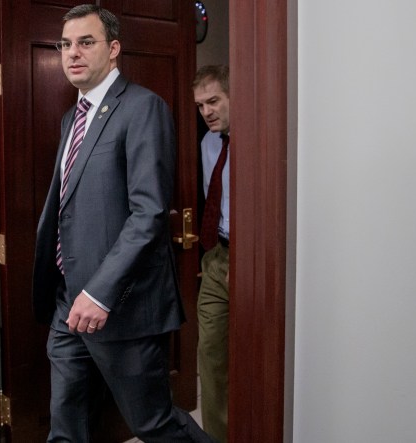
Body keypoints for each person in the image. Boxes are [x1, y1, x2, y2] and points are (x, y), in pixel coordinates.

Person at [32, 5, 213, 442]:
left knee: (154, 424)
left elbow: (148, 213)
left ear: (113, 49)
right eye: (65, 44)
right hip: (66, 303)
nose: (72, 53)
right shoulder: (69, 119)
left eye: (86, 42)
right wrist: (71, 291)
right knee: (66, 426)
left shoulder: (142, 107)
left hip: (120, 305)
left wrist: (99, 291)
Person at [192, 65, 231, 443]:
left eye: (214, 101)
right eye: (201, 105)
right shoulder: (208, 144)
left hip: (251, 257)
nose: (207, 111)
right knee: (210, 352)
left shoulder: (261, 142)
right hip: (217, 255)